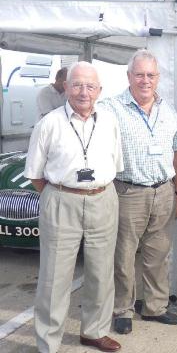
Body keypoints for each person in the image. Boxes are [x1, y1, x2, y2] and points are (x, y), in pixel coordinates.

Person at [24, 62, 123, 353]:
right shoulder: (49, 123)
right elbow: (35, 173)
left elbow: (115, 164)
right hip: (60, 200)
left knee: (102, 272)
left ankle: (94, 331)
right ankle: (48, 343)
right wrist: (63, 193)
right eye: (77, 85)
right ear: (65, 87)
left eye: (90, 86)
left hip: (103, 198)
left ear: (99, 90)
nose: (83, 92)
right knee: (55, 277)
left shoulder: (109, 121)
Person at [101, 49, 177, 334]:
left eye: (150, 75)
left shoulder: (168, 111)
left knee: (158, 253)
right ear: (129, 76)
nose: (145, 80)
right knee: (123, 255)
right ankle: (122, 309)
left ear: (158, 78)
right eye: (139, 74)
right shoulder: (110, 108)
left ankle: (155, 307)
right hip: (128, 193)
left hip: (163, 192)